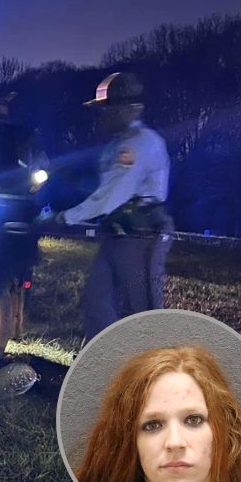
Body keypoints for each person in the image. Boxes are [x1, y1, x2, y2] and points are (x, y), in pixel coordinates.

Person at [40, 72, 174, 341]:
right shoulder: (118, 144)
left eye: (107, 109)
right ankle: (99, 366)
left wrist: (65, 217)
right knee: (97, 304)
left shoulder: (140, 143)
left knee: (144, 312)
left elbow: (111, 195)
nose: (103, 116)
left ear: (127, 108)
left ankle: (156, 373)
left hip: (140, 237)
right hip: (117, 233)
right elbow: (101, 187)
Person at [73, 346, 241, 482]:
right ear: (129, 440)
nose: (175, 443)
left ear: (224, 429)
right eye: (152, 425)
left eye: (193, 420)